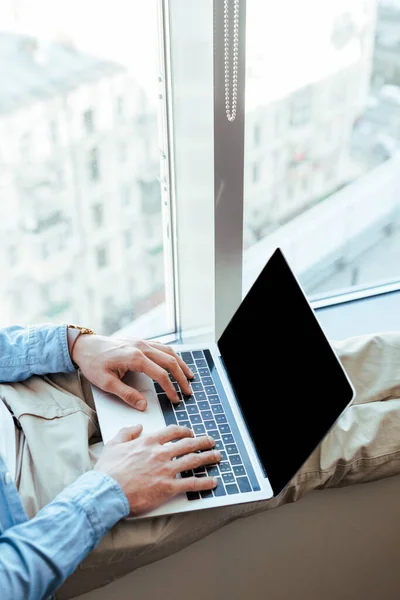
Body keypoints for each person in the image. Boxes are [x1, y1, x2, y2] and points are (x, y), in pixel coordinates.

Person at [1, 323, 400, 600]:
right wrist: (108, 492)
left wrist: (71, 343)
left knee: (281, 372)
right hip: (42, 507)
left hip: (27, 386)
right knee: (296, 446)